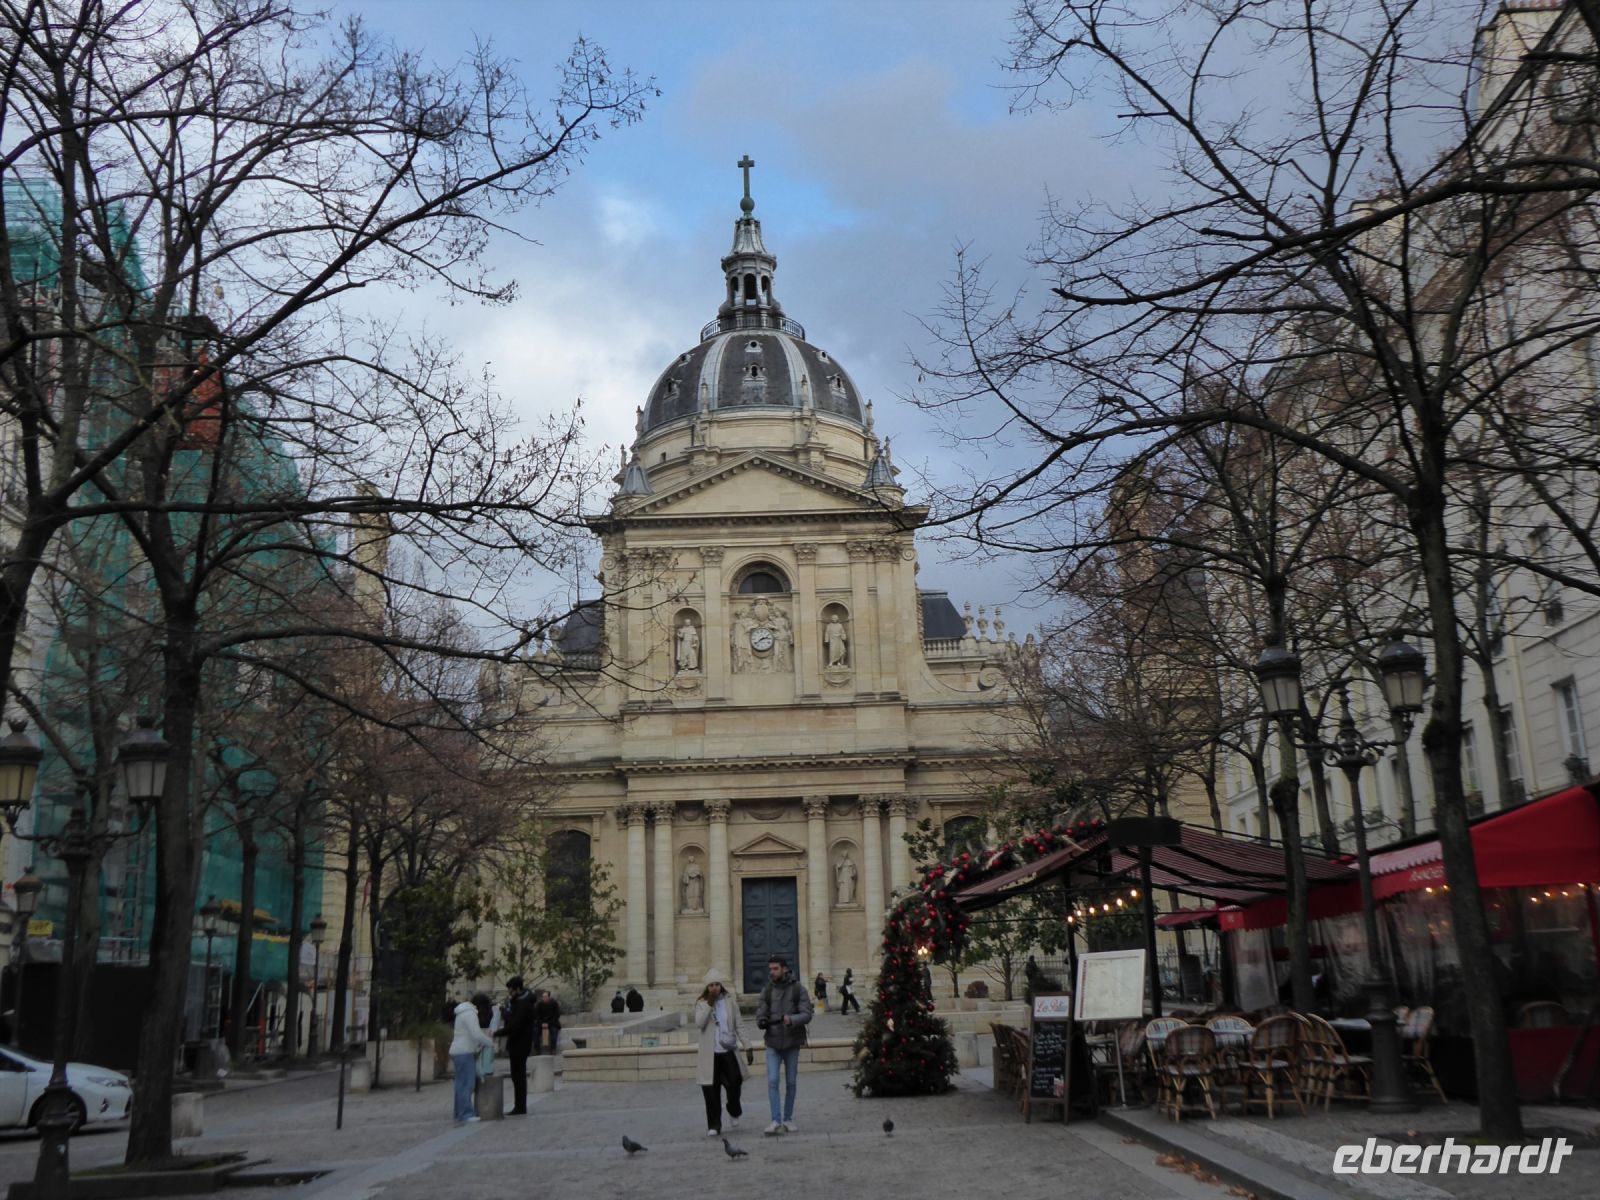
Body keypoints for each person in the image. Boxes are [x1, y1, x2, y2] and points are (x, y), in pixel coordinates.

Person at [754, 954, 813, 1135]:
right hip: (772, 1041)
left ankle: (788, 1118)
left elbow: (807, 1013)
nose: (772, 972)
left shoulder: (798, 990)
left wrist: (791, 1020)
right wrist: (761, 1021)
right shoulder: (767, 990)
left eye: (775, 969)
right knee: (772, 1081)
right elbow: (760, 1012)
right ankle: (775, 1119)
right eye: (770, 969)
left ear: (784, 968)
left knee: (791, 1082)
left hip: (792, 1041)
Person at [694, 967, 748, 1137]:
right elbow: (699, 1023)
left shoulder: (730, 1001)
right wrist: (709, 1003)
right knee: (710, 1090)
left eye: (717, 984)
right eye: (711, 985)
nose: (715, 988)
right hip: (709, 1054)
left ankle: (733, 1108)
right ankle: (714, 1124)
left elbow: (738, 1023)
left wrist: (748, 1045)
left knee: (735, 1082)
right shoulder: (701, 1003)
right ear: (706, 988)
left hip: (727, 1050)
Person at [448, 994, 494, 1123]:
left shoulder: (462, 1012)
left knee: (460, 1084)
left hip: (458, 1051)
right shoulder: (470, 1014)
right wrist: (489, 1042)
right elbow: (476, 1034)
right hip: (465, 1051)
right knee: (466, 1084)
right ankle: (466, 1114)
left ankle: (459, 1112)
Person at [497, 976, 535, 1115]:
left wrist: (498, 1033)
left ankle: (520, 1106)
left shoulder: (523, 1004)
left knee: (518, 1075)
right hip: (518, 1042)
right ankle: (519, 1105)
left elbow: (515, 1025)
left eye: (511, 990)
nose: (509, 993)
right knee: (516, 1075)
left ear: (517, 989)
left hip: (520, 1043)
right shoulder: (519, 1002)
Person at [533, 989, 562, 1056]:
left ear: (549, 997)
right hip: (541, 1023)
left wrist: (549, 1024)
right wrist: (541, 1023)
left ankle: (553, 1049)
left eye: (545, 996)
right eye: (543, 997)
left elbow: (556, 1015)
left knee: (554, 1032)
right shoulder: (539, 1004)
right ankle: (537, 1049)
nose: (544, 998)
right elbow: (536, 1015)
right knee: (535, 1031)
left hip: (552, 1023)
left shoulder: (554, 1003)